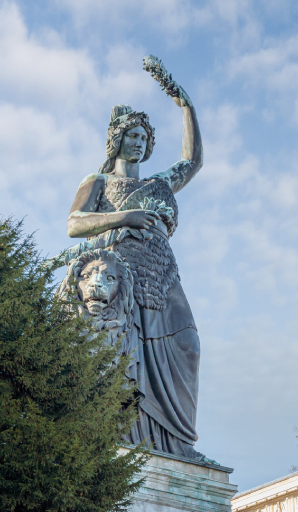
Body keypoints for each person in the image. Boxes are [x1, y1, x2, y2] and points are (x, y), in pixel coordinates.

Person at [59, 57, 205, 460]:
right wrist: (126, 215)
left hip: (163, 271)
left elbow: (192, 162)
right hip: (121, 271)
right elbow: (74, 224)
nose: (139, 142)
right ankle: (130, 436)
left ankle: (176, 442)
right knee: (129, 354)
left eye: (145, 136)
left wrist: (186, 106)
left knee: (188, 345)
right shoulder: (99, 182)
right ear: (117, 139)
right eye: (133, 135)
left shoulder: (160, 184)